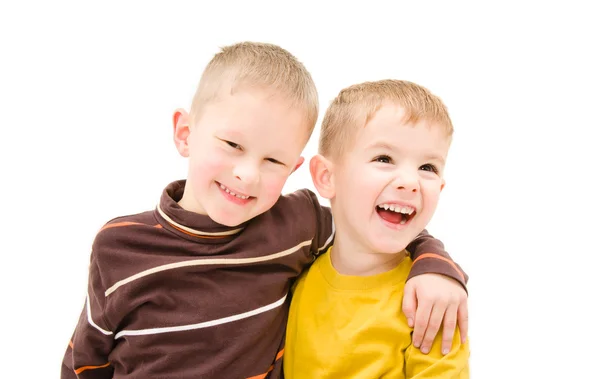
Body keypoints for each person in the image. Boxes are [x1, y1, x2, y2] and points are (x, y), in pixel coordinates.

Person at [62, 42, 468, 379]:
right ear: (186, 134)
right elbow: (87, 356)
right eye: (233, 145)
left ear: (294, 169)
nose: (247, 174)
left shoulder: (297, 225)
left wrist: (435, 265)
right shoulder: (119, 244)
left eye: (273, 161)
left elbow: (374, 225)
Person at [284, 79, 470, 378]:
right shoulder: (297, 272)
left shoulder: (430, 304)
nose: (410, 181)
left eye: (428, 168)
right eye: (384, 159)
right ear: (326, 177)